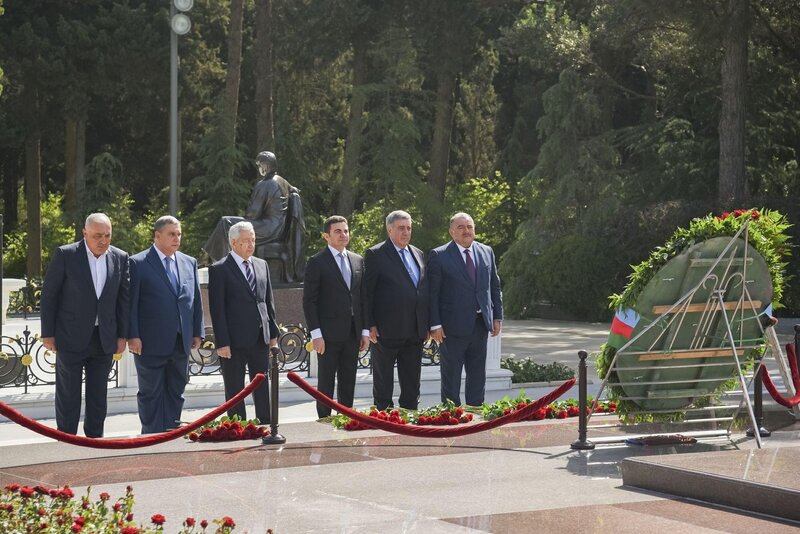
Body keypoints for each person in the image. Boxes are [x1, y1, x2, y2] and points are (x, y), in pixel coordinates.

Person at [40, 213, 129, 438]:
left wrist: (122, 335)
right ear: (84, 233)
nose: (103, 240)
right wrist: (47, 333)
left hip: (104, 338)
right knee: (68, 394)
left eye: (107, 235)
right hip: (70, 336)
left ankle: (95, 440)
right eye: (98, 235)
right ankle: (67, 440)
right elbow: (50, 296)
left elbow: (123, 300)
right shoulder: (66, 254)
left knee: (98, 396)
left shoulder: (120, 257)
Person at [128, 216, 204, 434]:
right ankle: (151, 437)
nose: (176, 238)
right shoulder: (138, 263)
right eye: (171, 234)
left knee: (176, 391)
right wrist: (133, 335)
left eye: (179, 234)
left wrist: (197, 331)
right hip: (149, 343)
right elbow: (131, 304)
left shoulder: (189, 262)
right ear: (157, 235)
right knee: (150, 393)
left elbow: (195, 300)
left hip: (181, 341)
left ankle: (171, 434)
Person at [428, 212, 503, 406]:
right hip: (451, 328)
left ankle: (475, 411)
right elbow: (432, 293)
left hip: (480, 324)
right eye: (461, 227)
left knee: (478, 374)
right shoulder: (440, 255)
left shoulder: (487, 251)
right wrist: (435, 324)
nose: (466, 231)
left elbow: (494, 286)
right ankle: (451, 415)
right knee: (451, 375)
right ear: (452, 232)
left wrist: (497, 317)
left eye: (469, 227)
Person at [208, 221, 279, 424]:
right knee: (235, 388)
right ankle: (237, 427)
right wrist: (222, 342)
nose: (251, 244)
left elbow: (268, 302)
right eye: (246, 240)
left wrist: (272, 335)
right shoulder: (220, 269)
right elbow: (217, 310)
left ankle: (266, 424)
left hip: (259, 337)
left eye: (253, 239)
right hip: (233, 341)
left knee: (262, 385)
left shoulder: (261, 264)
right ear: (233, 242)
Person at [302, 215, 369, 418]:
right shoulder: (317, 262)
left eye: (346, 231)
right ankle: (324, 420)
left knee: (349, 379)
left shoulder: (357, 260)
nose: (343, 235)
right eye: (338, 231)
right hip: (327, 335)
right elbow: (309, 301)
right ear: (326, 236)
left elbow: (362, 298)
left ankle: (348, 418)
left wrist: (365, 330)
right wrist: (316, 334)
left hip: (352, 332)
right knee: (326, 381)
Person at [202, 151, 305, 282]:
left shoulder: (265, 183)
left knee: (226, 222)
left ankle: (218, 263)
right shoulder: (283, 181)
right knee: (229, 223)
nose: (259, 169)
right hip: (279, 228)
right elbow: (294, 191)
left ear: (265, 166)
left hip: (268, 228)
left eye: (259, 165)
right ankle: (211, 257)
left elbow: (253, 214)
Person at [363, 210, 428, 410]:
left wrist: (425, 323)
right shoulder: (376, 254)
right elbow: (367, 293)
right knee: (384, 382)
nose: (406, 232)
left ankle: (410, 414)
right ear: (389, 229)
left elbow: (423, 290)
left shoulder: (418, 253)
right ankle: (384, 417)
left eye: (409, 228)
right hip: (386, 330)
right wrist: (369, 324)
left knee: (411, 381)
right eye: (401, 228)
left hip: (414, 330)